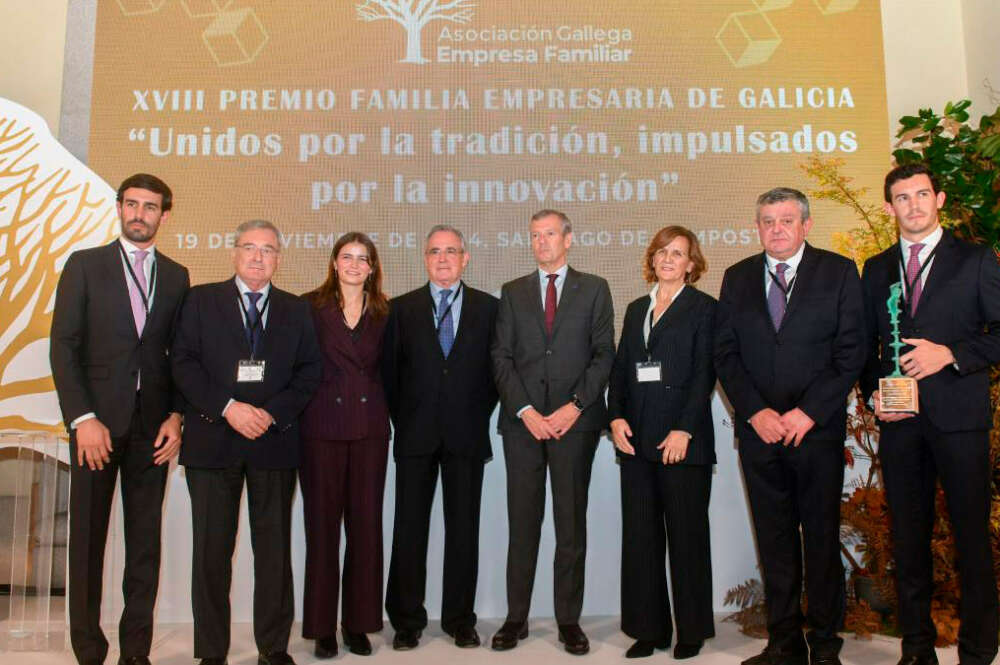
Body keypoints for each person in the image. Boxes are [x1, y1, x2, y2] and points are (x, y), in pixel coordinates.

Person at [714, 188, 866, 665]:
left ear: (806, 225)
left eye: (785, 220)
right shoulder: (737, 277)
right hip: (760, 433)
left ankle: (824, 646)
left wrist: (809, 412)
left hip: (815, 432)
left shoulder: (839, 271)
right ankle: (783, 643)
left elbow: (851, 352)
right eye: (766, 221)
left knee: (820, 538)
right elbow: (726, 354)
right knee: (774, 540)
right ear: (756, 226)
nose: (776, 229)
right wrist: (755, 412)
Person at [860, 163, 1000, 665]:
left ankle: (979, 652)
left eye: (922, 195)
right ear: (889, 207)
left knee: (970, 539)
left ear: (939, 199)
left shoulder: (976, 260)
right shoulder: (875, 269)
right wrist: (871, 393)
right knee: (908, 539)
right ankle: (916, 650)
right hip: (900, 425)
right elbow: (865, 346)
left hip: (959, 418)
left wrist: (952, 354)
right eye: (902, 198)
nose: (913, 205)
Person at [50, 173, 189, 665]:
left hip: (152, 431)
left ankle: (136, 652)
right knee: (86, 542)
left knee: (144, 546)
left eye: (150, 207)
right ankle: (88, 649)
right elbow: (63, 346)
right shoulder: (85, 266)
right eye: (131, 204)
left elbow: (179, 356)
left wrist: (176, 416)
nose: (139, 214)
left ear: (163, 216)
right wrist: (82, 417)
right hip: (96, 429)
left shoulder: (176, 275)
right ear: (119, 207)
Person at [171, 220, 322, 665]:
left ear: (279, 257)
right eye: (250, 248)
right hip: (213, 440)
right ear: (234, 252)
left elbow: (309, 371)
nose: (258, 257)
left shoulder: (297, 310)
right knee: (211, 552)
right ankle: (212, 651)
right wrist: (228, 407)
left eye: (268, 250)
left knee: (273, 550)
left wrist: (270, 413)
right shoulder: (200, 300)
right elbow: (183, 362)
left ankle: (273, 647)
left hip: (273, 442)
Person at [490, 209, 615, 655]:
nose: (541, 242)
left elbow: (604, 354)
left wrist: (574, 407)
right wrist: (525, 409)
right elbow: (501, 357)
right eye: (535, 236)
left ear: (568, 239)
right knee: (522, 526)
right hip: (523, 427)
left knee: (570, 526)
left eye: (549, 234)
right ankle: (515, 618)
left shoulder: (595, 289)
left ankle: (568, 621)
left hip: (574, 427)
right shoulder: (512, 291)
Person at [382, 225, 499, 651]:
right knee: (408, 529)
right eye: (435, 251)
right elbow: (389, 377)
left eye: (452, 251)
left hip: (466, 435)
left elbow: (495, 377)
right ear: (425, 259)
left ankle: (459, 620)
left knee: (463, 530)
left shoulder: (490, 309)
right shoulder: (400, 309)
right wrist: (410, 418)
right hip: (415, 435)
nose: (444, 258)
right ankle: (407, 620)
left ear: (465, 258)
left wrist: (469, 414)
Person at [608, 226, 717, 660]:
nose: (668, 259)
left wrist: (685, 429)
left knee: (687, 538)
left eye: (678, 253)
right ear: (652, 260)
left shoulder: (706, 309)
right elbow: (620, 371)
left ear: (692, 263)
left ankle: (690, 632)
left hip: (682, 443)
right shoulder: (637, 308)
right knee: (640, 538)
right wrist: (615, 417)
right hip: (636, 441)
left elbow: (704, 375)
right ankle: (647, 630)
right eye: (661, 252)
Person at [299, 232, 391, 659]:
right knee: (321, 532)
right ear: (334, 263)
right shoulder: (308, 307)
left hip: (370, 430)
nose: (354, 264)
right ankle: (321, 627)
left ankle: (359, 624)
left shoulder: (386, 312)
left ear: (372, 268)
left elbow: (394, 372)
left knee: (366, 531)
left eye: (363, 258)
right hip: (321, 429)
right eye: (346, 257)